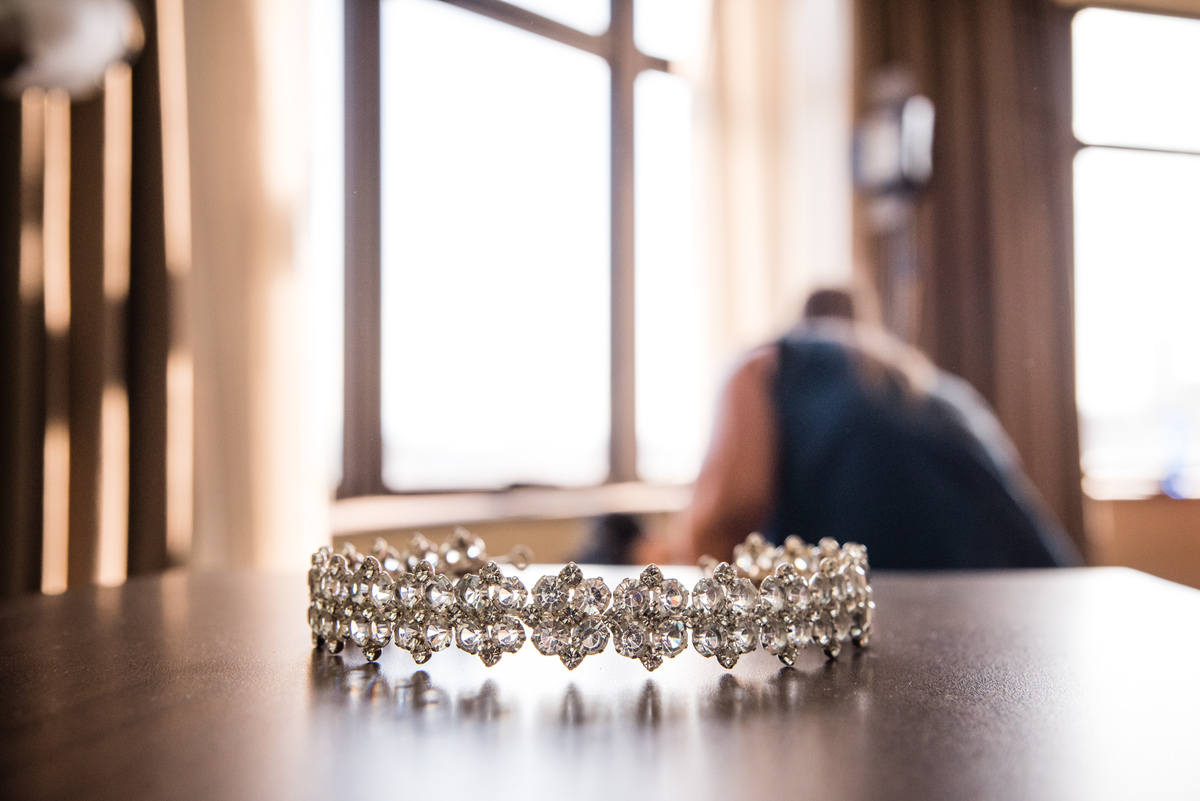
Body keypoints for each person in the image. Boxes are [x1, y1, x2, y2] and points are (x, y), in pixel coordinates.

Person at [682, 288, 1081, 569]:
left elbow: (724, 520)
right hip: (1042, 594)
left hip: (912, 611)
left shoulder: (762, 365)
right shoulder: (932, 386)